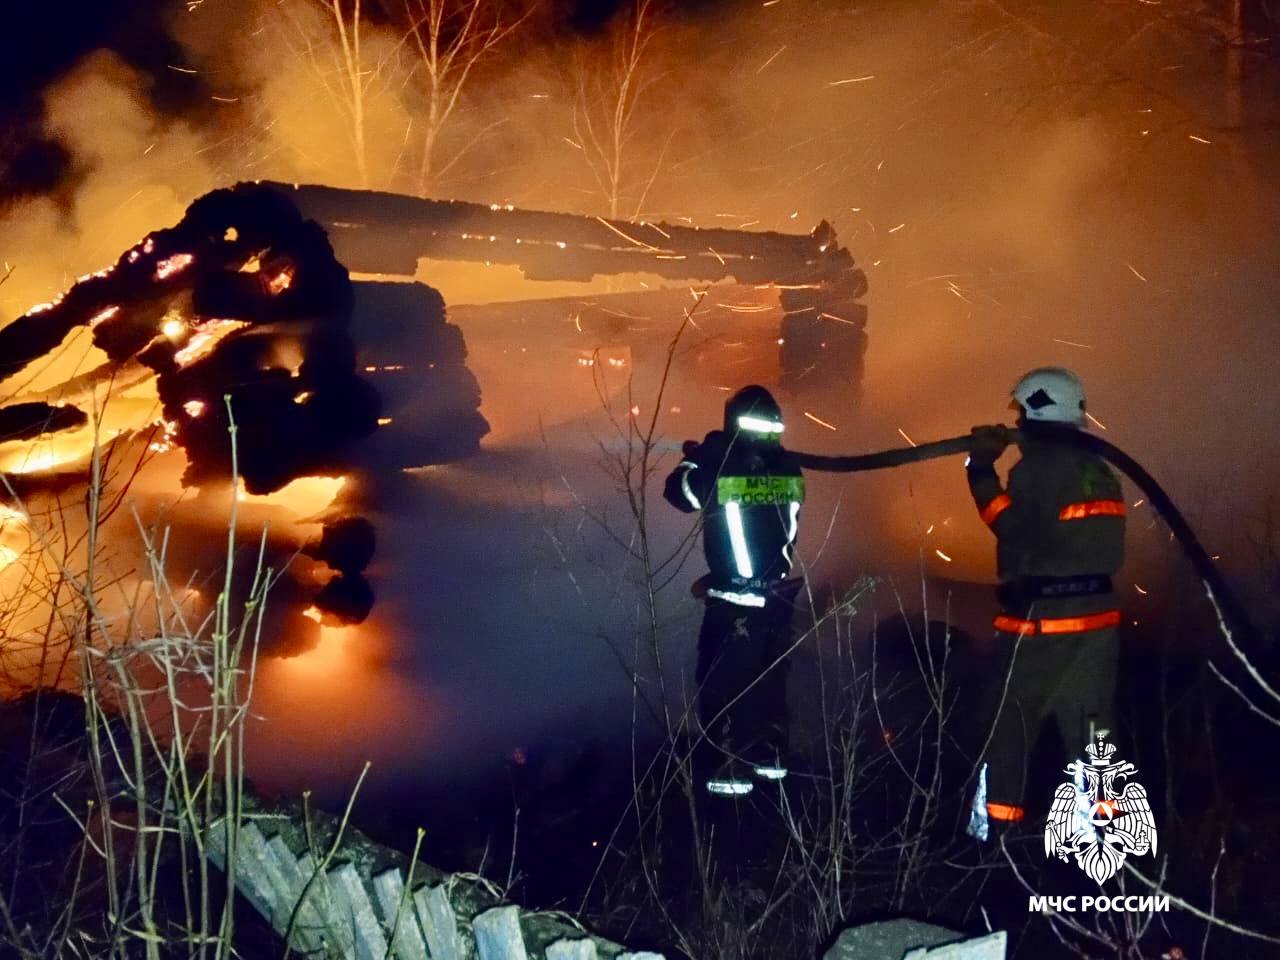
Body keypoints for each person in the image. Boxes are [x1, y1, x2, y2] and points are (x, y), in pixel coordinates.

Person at [965, 367, 1126, 838]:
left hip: (1040, 628)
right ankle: (1105, 846)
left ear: (1035, 409)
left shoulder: (1036, 470)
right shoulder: (1098, 469)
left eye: (1020, 409)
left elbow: (1010, 526)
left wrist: (979, 470)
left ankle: (995, 841)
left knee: (1008, 728)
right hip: (1097, 627)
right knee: (1094, 736)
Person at [664, 385, 805, 797]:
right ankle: (770, 759)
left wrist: (700, 455)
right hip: (777, 599)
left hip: (734, 604)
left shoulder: (719, 467)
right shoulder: (789, 470)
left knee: (722, 683)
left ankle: (729, 773)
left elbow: (679, 494)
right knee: (769, 682)